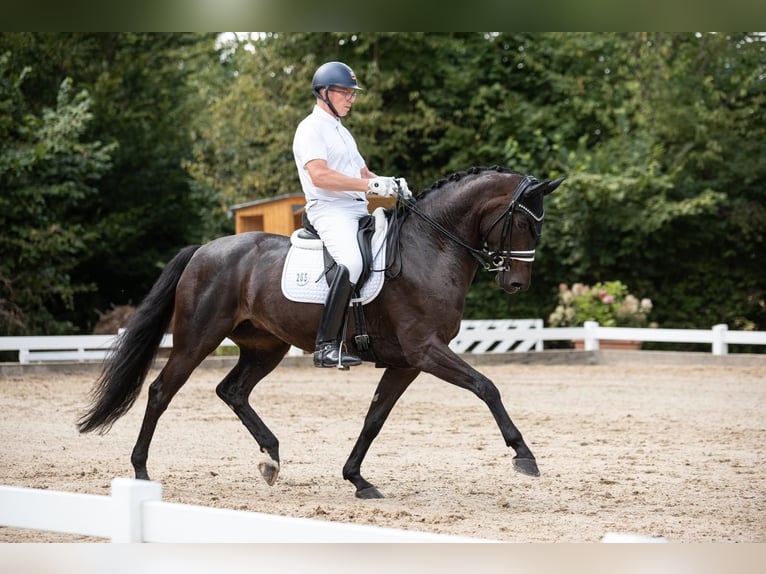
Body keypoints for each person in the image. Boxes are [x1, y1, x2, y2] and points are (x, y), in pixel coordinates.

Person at [293, 61, 410, 369]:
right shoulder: (310, 128)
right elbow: (320, 176)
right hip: (329, 209)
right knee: (352, 262)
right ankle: (326, 345)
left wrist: (391, 183)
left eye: (352, 93)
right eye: (344, 92)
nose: (351, 98)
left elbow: (362, 173)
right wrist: (369, 184)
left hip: (356, 209)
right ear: (324, 92)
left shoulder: (342, 132)